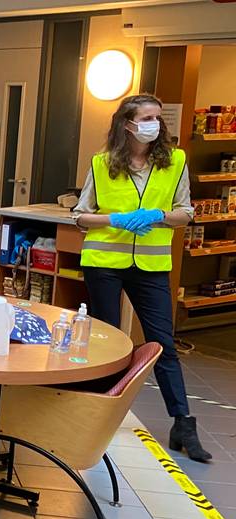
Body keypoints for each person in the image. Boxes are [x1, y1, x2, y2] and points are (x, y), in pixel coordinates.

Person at [74, 93, 210, 462]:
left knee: (162, 341)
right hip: (104, 259)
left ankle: (183, 422)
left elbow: (186, 213)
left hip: (150, 265)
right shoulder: (102, 163)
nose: (155, 123)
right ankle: (96, 411)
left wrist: (157, 215)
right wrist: (114, 220)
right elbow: (81, 216)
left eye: (158, 117)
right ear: (127, 124)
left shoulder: (175, 161)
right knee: (107, 338)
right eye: (146, 117)